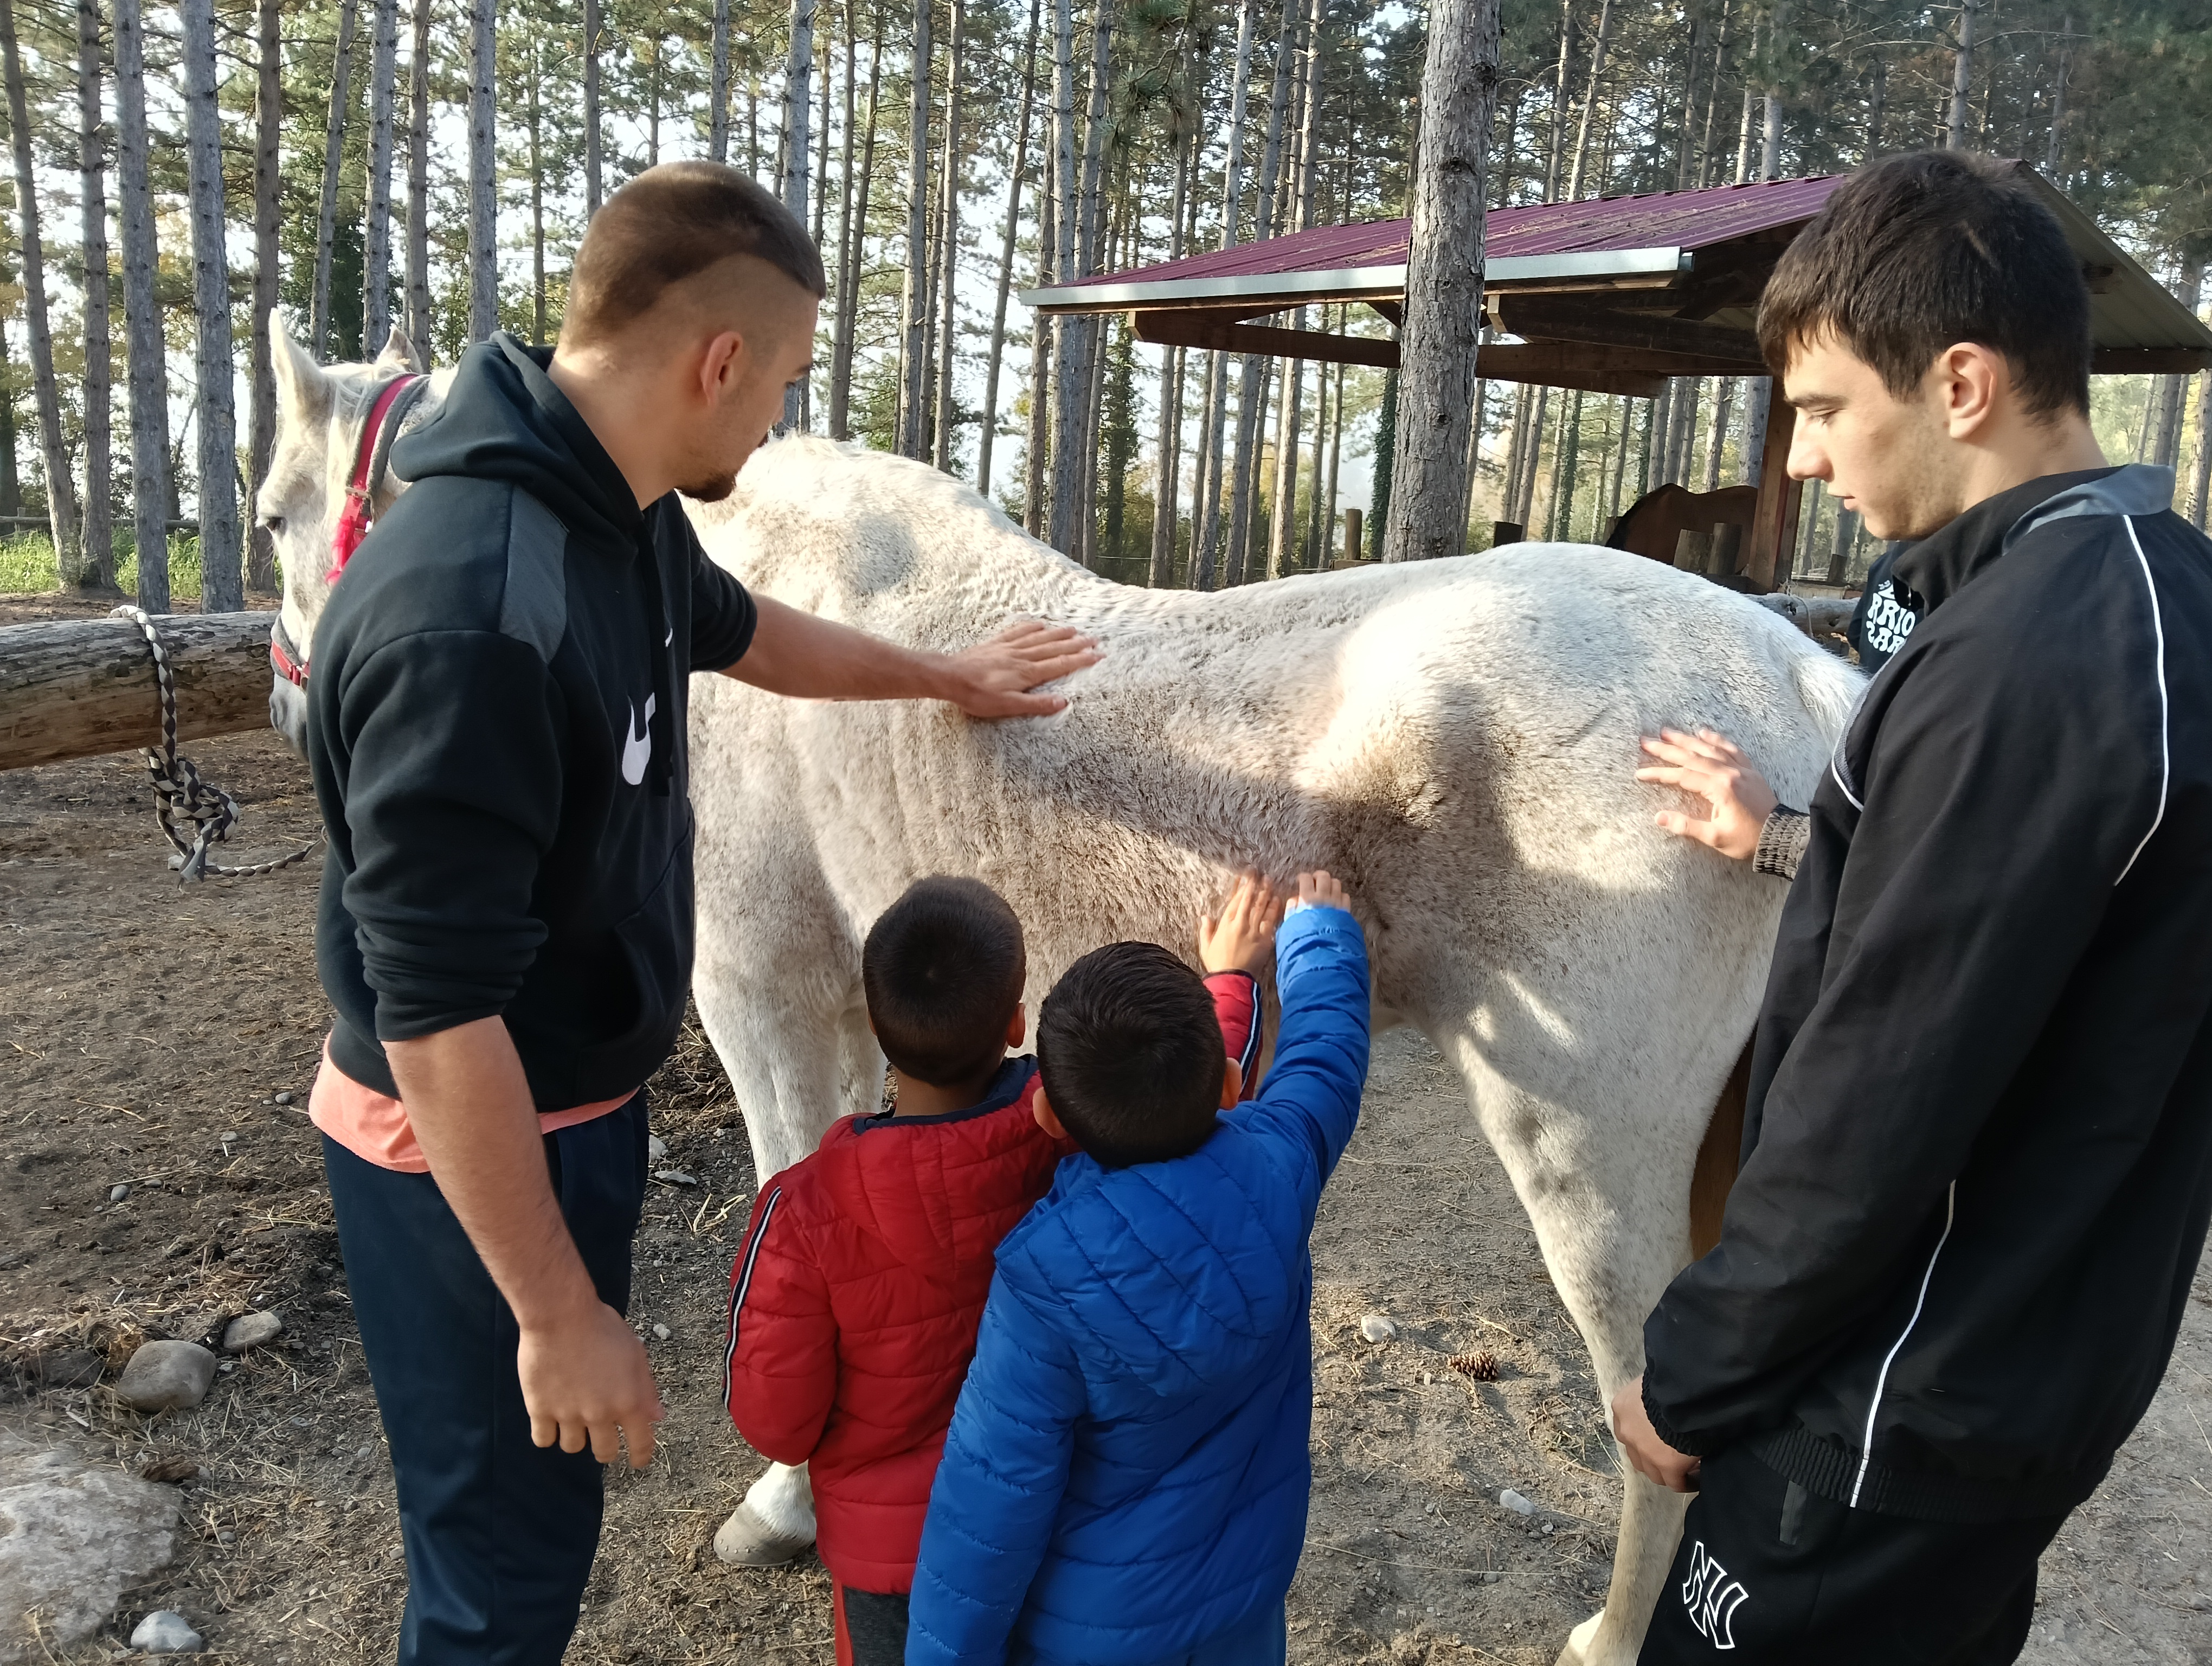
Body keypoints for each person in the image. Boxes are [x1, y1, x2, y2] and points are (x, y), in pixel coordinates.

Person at [304, 161, 1099, 1666]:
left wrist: (948, 675)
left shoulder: (616, 516)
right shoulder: (472, 619)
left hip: (570, 1104)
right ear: (718, 361)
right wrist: (555, 1313)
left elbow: (744, 632)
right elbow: (435, 1013)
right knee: (499, 1574)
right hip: (467, 1144)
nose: (779, 420)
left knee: (536, 1537)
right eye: (785, 385)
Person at [1614, 149, 2212, 1664]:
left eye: (1823, 409)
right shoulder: (2165, 599)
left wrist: (1691, 1372)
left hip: (1887, 1406)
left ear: (1960, 383)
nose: (1805, 459)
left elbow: (1880, 1096)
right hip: (2035, 1365)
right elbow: (2037, 951)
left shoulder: (2023, 665)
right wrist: (1785, 837)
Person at [723, 872, 1284, 1666]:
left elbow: (775, 1423)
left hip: (894, 1569)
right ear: (1018, 1021)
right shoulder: (1068, 1123)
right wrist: (1228, 980)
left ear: (874, 1029)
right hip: (1059, 1536)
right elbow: (1179, 1090)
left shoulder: (800, 1214)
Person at [904, 870, 1372, 1666]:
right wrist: (1316, 937)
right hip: (1243, 1608)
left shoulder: (1041, 1286)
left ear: (1048, 1115)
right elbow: (1324, 1063)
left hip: (1090, 1636)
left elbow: (989, 1505)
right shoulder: (1280, 1168)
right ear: (1232, 1086)